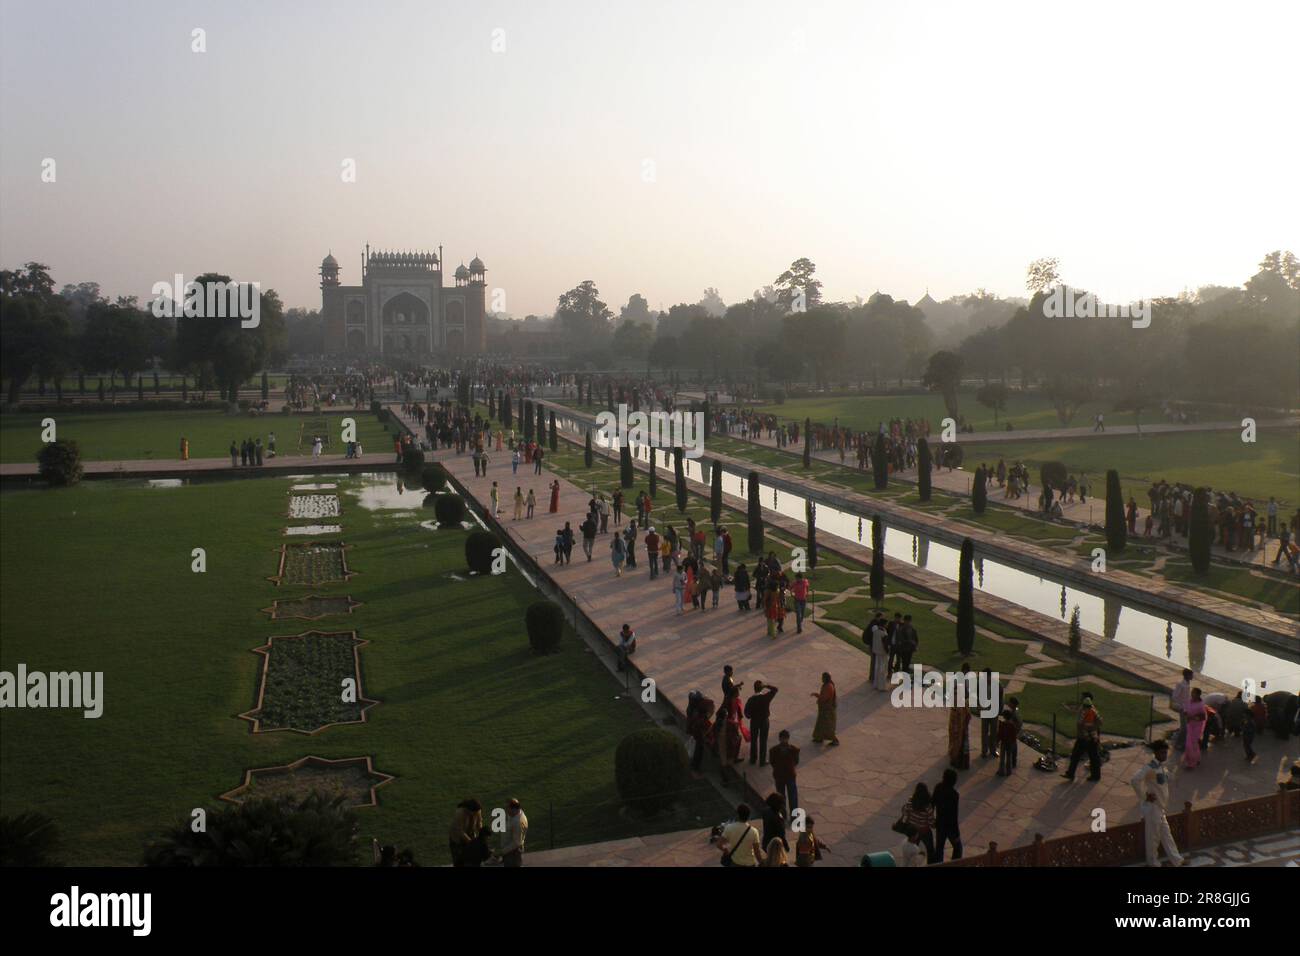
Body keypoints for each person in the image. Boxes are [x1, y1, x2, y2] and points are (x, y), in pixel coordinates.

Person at [1130, 741, 1185, 867]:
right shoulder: (1149, 768)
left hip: (1160, 808)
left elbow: (1167, 779)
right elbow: (1134, 780)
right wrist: (1144, 796)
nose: (1164, 755)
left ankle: (1177, 860)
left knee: (1166, 835)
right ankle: (1153, 862)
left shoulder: (1161, 767)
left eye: (1165, 752)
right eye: (1161, 752)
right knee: (1153, 837)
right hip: (1152, 808)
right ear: (1155, 753)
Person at [1062, 694, 1103, 782]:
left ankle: (1071, 774)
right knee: (1093, 757)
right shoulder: (1093, 710)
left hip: (1084, 739)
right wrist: (1093, 728)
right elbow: (1100, 722)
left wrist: (1088, 728)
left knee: (1076, 756)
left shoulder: (1084, 711)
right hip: (1092, 738)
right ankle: (1095, 776)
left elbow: (1080, 725)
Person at [900, 783, 937, 863]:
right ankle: (932, 864)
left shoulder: (910, 803)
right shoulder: (928, 807)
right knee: (930, 850)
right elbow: (931, 823)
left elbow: (905, 812)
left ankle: (911, 861)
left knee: (913, 847)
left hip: (913, 830)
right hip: (924, 831)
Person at [745, 681, 778, 766]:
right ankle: (762, 761)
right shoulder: (765, 697)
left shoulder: (751, 700)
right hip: (764, 721)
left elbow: (746, 713)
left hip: (754, 721)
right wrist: (766, 685)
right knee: (763, 740)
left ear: (754, 689)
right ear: (762, 688)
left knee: (754, 740)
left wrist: (751, 716)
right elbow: (775, 689)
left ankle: (753, 759)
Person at [932, 769, 962, 861]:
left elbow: (932, 804)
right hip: (950, 827)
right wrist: (957, 833)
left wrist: (932, 819)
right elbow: (954, 816)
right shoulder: (954, 795)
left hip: (940, 824)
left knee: (939, 849)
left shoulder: (938, 788)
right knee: (958, 848)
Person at [769, 730, 800, 812]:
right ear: (779, 739)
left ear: (788, 739)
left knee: (792, 797)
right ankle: (783, 813)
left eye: (785, 738)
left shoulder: (794, 750)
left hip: (789, 775)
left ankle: (793, 815)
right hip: (779, 776)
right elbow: (772, 762)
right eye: (783, 738)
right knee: (781, 797)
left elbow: (796, 761)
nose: (784, 740)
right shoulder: (773, 750)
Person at [449, 798, 483, 867]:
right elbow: (460, 831)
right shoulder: (460, 813)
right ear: (468, 810)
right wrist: (471, 843)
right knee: (459, 861)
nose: (476, 814)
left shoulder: (477, 811)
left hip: (470, 834)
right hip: (457, 839)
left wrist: (482, 836)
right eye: (475, 813)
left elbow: (479, 823)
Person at [494, 799, 528, 866]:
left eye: (507, 808)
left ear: (514, 809)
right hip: (509, 852)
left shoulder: (518, 822)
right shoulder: (514, 815)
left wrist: (501, 852)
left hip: (513, 854)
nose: (506, 810)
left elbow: (516, 843)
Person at [947, 688, 972, 770]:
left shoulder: (962, 704)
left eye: (956, 693)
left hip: (961, 729)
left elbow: (968, 716)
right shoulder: (955, 703)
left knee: (960, 745)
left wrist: (963, 726)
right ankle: (954, 760)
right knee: (954, 743)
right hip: (954, 728)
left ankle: (959, 763)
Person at [811, 672, 839, 745]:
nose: (822, 679)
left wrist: (817, 696)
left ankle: (834, 740)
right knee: (820, 724)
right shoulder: (827, 685)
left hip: (827, 711)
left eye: (823, 678)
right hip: (824, 710)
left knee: (828, 726)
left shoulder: (829, 686)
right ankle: (819, 738)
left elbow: (824, 698)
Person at [1183, 688, 1207, 770]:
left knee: (1191, 744)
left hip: (1197, 726)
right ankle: (1197, 758)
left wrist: (1193, 717)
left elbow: (1203, 717)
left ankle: (1191, 764)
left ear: (1198, 695)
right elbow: (1186, 710)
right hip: (1190, 725)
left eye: (1194, 693)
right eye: (1192, 692)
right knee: (1190, 743)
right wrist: (1186, 713)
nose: (1192, 694)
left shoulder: (1201, 705)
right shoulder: (1189, 701)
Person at [1171, 668, 1192, 751]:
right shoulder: (1180, 684)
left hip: (1187, 708)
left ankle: (1183, 743)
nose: (1192, 676)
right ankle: (1177, 744)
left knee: (1186, 727)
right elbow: (1175, 696)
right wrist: (1181, 706)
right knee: (1184, 728)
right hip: (1182, 708)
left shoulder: (1187, 683)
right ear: (1187, 675)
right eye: (1191, 675)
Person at [996, 708, 1019, 776]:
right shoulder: (1012, 725)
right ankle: (1009, 771)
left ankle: (1001, 771)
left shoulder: (1002, 724)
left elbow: (999, 734)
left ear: (1004, 716)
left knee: (1002, 758)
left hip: (1004, 743)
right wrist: (1014, 743)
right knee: (1009, 757)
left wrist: (997, 741)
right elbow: (1014, 736)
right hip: (1010, 743)